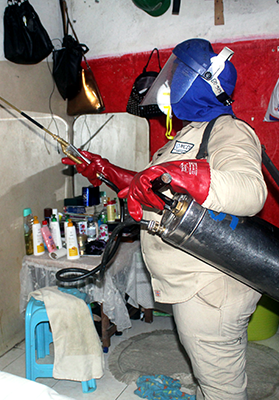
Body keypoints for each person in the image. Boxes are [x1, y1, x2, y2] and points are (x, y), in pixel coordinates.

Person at [62, 38, 267, 400]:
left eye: (177, 74)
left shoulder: (229, 131)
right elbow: (159, 189)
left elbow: (251, 191)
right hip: (196, 284)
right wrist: (109, 171)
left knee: (222, 386)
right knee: (211, 375)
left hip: (212, 288)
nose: (167, 83)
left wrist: (186, 174)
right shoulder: (191, 132)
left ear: (200, 81)